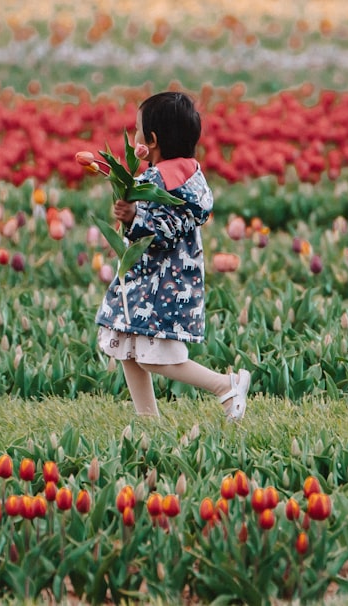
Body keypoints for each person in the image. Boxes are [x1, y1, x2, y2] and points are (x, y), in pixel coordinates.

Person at [96, 91, 251, 420]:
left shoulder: (163, 182)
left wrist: (133, 217)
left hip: (162, 285)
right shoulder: (186, 175)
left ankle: (226, 385)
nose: (133, 135)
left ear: (151, 140)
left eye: (137, 129)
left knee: (157, 357)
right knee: (128, 347)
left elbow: (163, 230)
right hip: (146, 279)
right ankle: (147, 420)